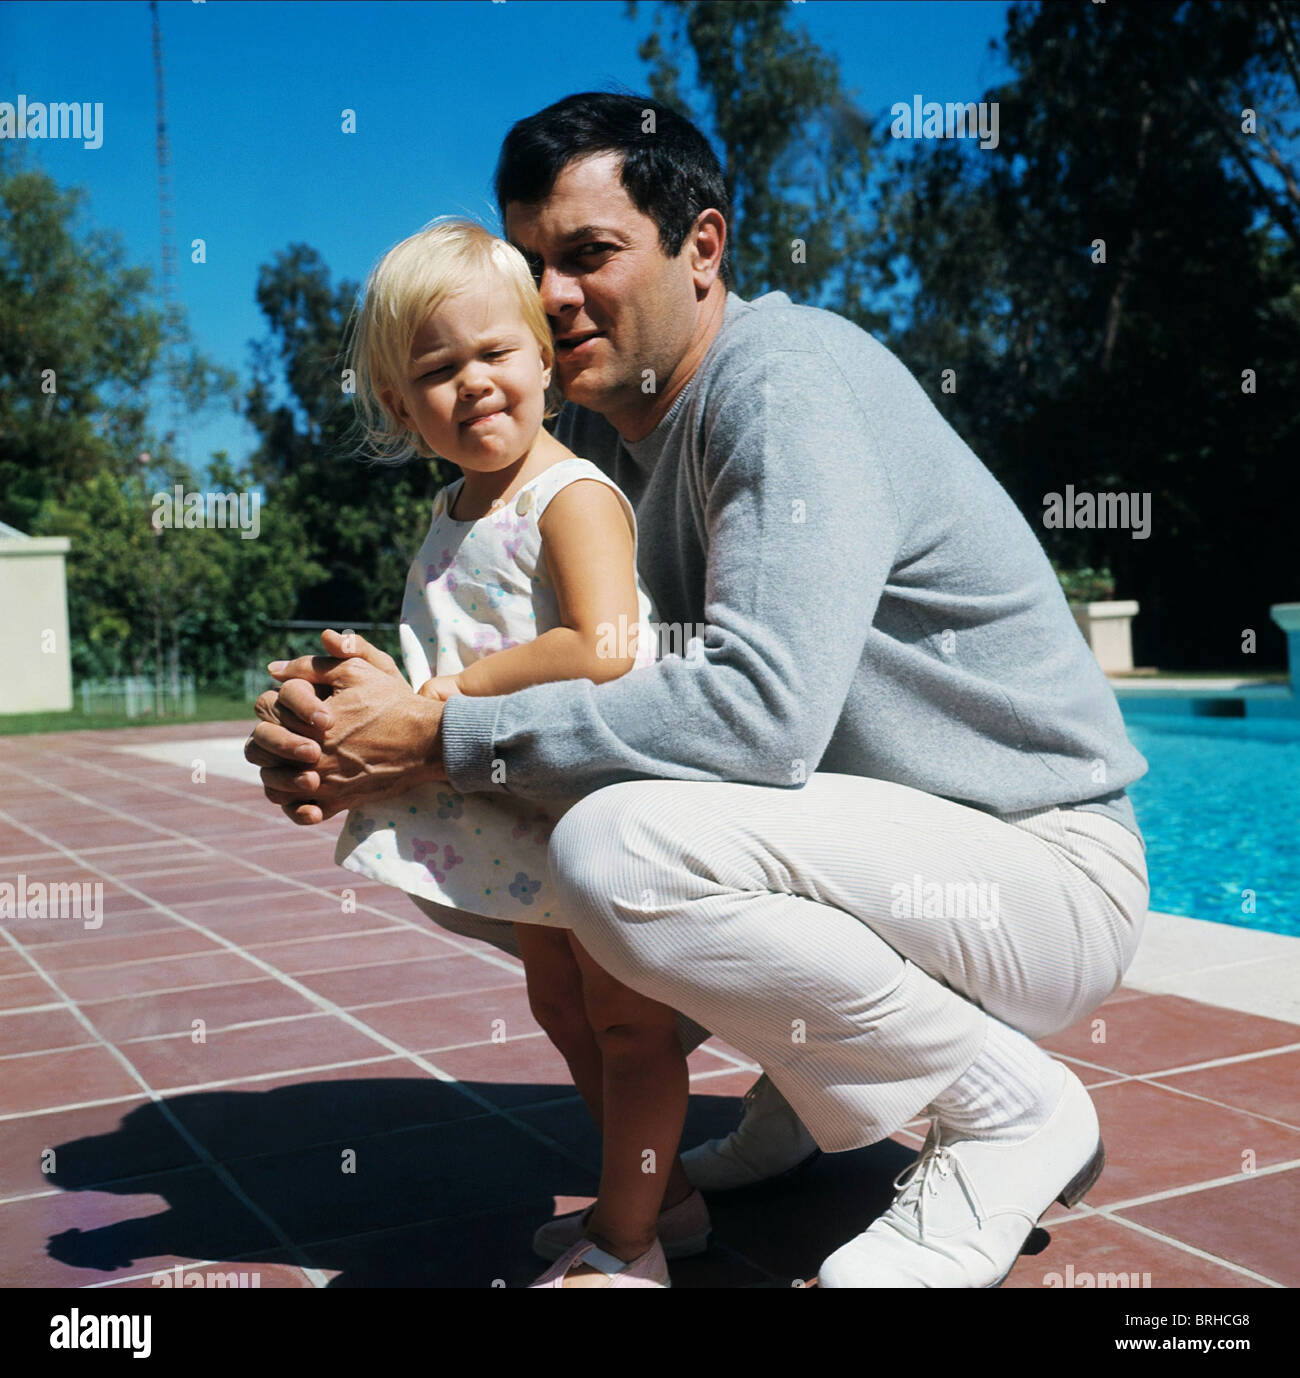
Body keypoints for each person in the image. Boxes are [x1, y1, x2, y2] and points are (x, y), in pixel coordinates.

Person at [247, 91, 1150, 1288]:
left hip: (1039, 869)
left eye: (589, 254)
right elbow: (574, 686)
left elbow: (758, 717)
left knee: (620, 849)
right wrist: (351, 726)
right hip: (896, 856)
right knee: (488, 849)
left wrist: (445, 732)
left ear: (703, 248)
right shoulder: (611, 447)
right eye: (530, 265)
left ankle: (1005, 1111)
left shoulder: (781, 387)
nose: (551, 296)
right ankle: (813, 1088)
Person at [330, 216, 709, 1288]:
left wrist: (456, 692)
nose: (474, 384)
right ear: (404, 409)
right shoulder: (451, 510)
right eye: (437, 371)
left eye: (494, 352)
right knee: (559, 999)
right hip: (523, 799)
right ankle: (664, 1198)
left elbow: (604, 644)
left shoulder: (571, 496)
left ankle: (629, 1245)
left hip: (595, 796)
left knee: (630, 1023)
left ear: (544, 356)